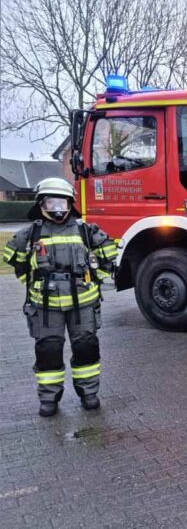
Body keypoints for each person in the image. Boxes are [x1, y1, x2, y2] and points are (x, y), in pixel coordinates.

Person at [3, 177, 117, 417]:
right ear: (41, 203)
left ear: (70, 203)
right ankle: (49, 399)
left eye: (62, 203)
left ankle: (89, 393)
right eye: (51, 203)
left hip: (83, 304)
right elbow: (16, 262)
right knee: (48, 351)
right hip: (45, 307)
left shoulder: (85, 230)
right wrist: (33, 285)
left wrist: (96, 279)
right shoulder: (30, 233)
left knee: (86, 347)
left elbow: (109, 253)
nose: (57, 209)